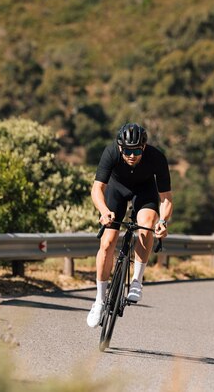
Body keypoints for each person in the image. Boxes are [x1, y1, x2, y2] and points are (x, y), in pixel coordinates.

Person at [87, 122, 173, 327]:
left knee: (146, 225)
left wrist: (163, 221)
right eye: (127, 150)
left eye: (136, 150)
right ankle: (99, 300)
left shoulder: (156, 157)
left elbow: (166, 197)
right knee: (107, 242)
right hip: (116, 190)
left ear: (143, 147)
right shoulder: (111, 153)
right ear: (119, 147)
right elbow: (97, 188)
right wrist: (104, 212)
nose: (131, 155)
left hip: (144, 192)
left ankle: (137, 281)